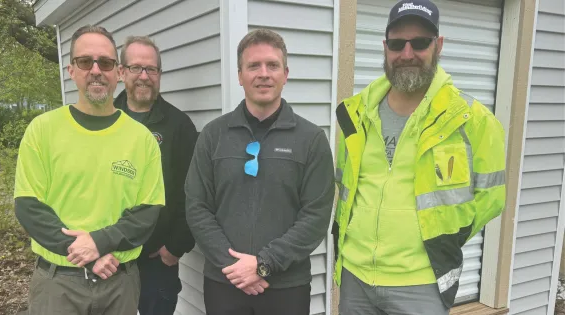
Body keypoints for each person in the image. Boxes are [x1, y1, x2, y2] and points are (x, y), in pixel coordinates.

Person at [332, 1, 506, 314]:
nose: (407, 54)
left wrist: (443, 239)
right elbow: (346, 190)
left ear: (438, 45)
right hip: (355, 278)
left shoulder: (472, 120)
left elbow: (491, 197)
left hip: (421, 286)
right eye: (397, 44)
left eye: (420, 42)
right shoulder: (353, 115)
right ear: (385, 48)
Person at [14, 25, 165, 315]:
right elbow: (29, 206)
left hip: (119, 284)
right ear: (71, 70)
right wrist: (88, 255)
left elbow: (148, 212)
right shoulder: (42, 130)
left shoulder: (141, 139)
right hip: (58, 284)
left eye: (105, 62)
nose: (96, 70)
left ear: (118, 72)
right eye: (85, 61)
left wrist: (97, 243)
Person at [185, 28, 335, 315]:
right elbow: (196, 206)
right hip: (224, 283)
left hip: (286, 287)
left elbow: (315, 216)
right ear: (240, 76)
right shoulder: (213, 136)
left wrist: (264, 264)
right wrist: (233, 266)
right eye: (253, 66)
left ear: (285, 74)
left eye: (272, 65)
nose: (263, 74)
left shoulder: (311, 139)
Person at [114, 35, 198, 315]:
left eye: (151, 69)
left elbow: (195, 193)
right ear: (121, 72)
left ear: (160, 75)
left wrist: (175, 247)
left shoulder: (179, 126)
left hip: (157, 260)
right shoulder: (104, 121)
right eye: (136, 68)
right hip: (109, 258)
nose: (144, 76)